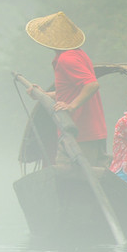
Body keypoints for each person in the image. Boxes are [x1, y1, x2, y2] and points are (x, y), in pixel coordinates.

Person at [24, 11, 107, 165]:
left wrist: (71, 106)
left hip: (81, 133)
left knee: (70, 175)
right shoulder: (76, 54)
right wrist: (44, 94)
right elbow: (70, 92)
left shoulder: (67, 59)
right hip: (80, 132)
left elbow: (92, 85)